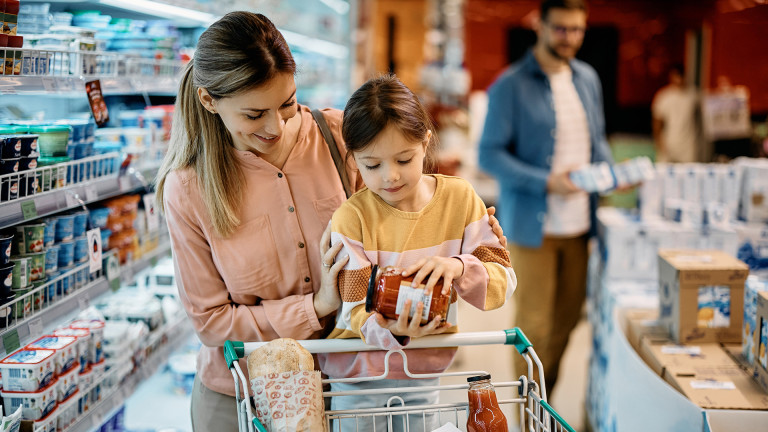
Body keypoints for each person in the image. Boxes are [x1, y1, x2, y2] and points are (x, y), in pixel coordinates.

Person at [155, 12, 507, 432]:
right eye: (253, 115)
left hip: (350, 384)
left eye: (287, 103)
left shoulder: (339, 137)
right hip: (242, 393)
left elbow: (395, 229)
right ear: (209, 100)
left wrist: (466, 244)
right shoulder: (189, 188)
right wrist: (317, 305)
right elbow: (213, 323)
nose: (275, 126)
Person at [318, 74, 517, 432]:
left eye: (404, 159)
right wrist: (392, 330)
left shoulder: (460, 200)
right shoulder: (351, 217)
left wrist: (458, 267)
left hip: (424, 373)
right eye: (372, 165)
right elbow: (352, 308)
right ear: (354, 159)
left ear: (425, 142)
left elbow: (501, 281)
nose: (389, 177)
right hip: (358, 376)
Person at [477, 0, 613, 395]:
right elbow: (489, 154)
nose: (569, 38)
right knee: (534, 327)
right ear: (539, 25)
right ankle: (528, 411)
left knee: (568, 322)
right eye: (561, 29)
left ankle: (543, 399)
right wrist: (546, 182)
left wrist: (612, 175)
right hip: (533, 230)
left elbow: (596, 142)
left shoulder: (587, 78)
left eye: (577, 30)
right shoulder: (510, 85)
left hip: (581, 228)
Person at [652, 63, 701, 163]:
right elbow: (657, 122)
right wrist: (659, 142)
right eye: (675, 76)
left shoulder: (694, 95)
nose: (678, 79)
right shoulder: (664, 96)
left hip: (688, 146)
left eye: (680, 76)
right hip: (669, 144)